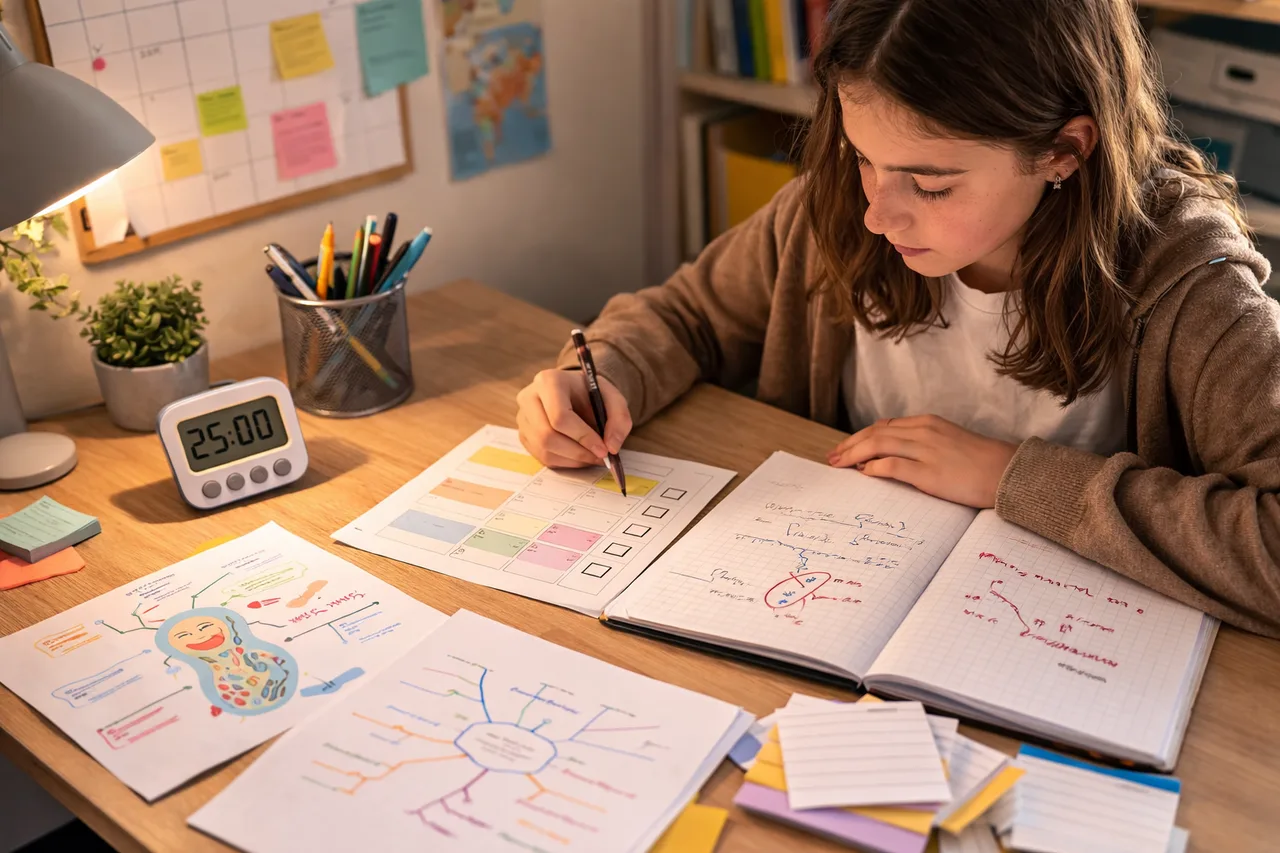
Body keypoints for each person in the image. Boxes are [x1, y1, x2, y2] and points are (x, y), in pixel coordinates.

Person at [515, 0, 1279, 635]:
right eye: (862, 157)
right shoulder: (834, 215)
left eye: (932, 185)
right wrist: (605, 373)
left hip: (1066, 644)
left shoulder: (1190, 279)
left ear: (1063, 152)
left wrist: (1013, 476)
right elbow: (686, 316)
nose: (878, 213)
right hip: (831, 607)